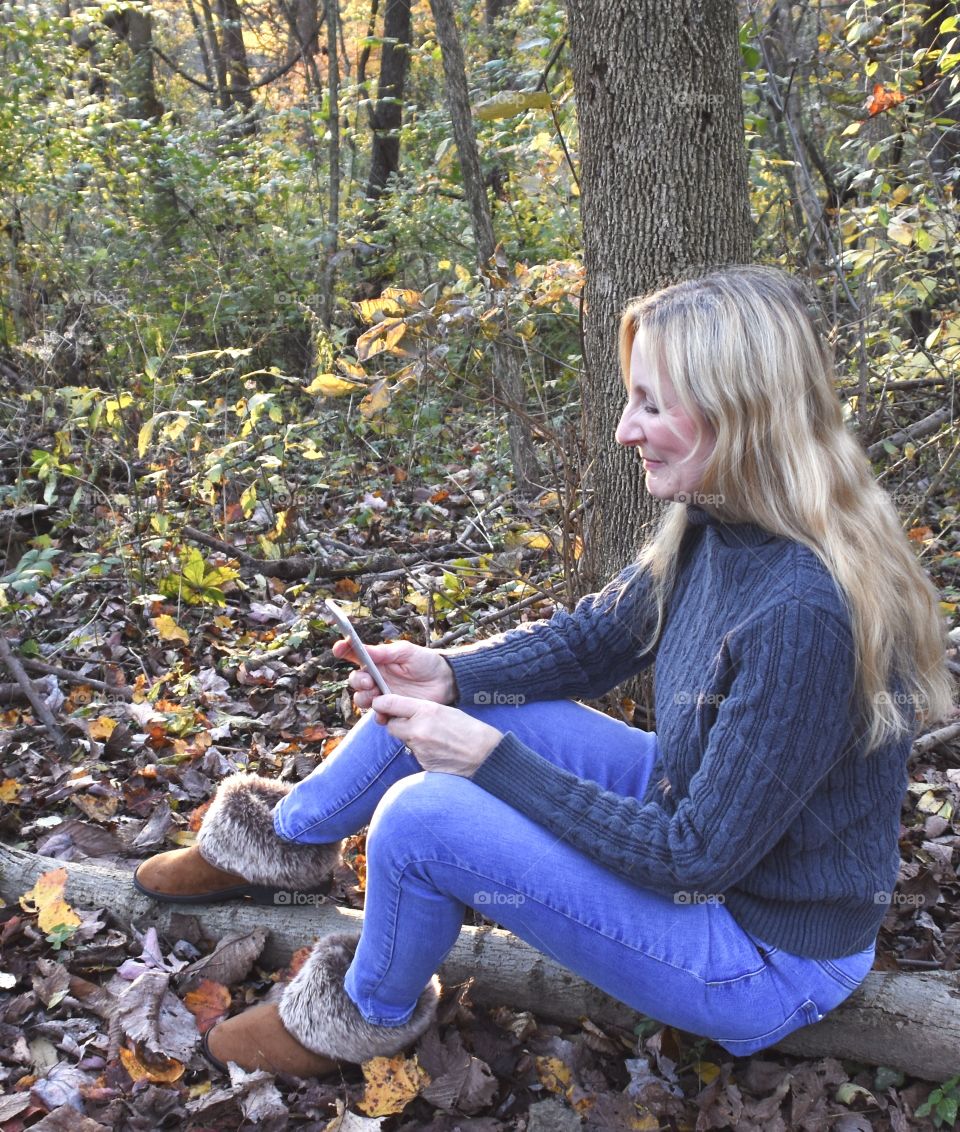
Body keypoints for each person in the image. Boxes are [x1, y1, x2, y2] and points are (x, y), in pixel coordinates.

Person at [134, 265, 953, 1077]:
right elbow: (595, 640)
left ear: (741, 415)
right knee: (469, 709)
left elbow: (694, 857)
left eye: (652, 405)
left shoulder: (802, 612)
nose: (626, 430)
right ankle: (275, 846)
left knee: (425, 819)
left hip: (763, 953)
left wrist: (487, 761)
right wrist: (450, 675)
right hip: (707, 832)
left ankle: (360, 1014)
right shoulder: (717, 520)